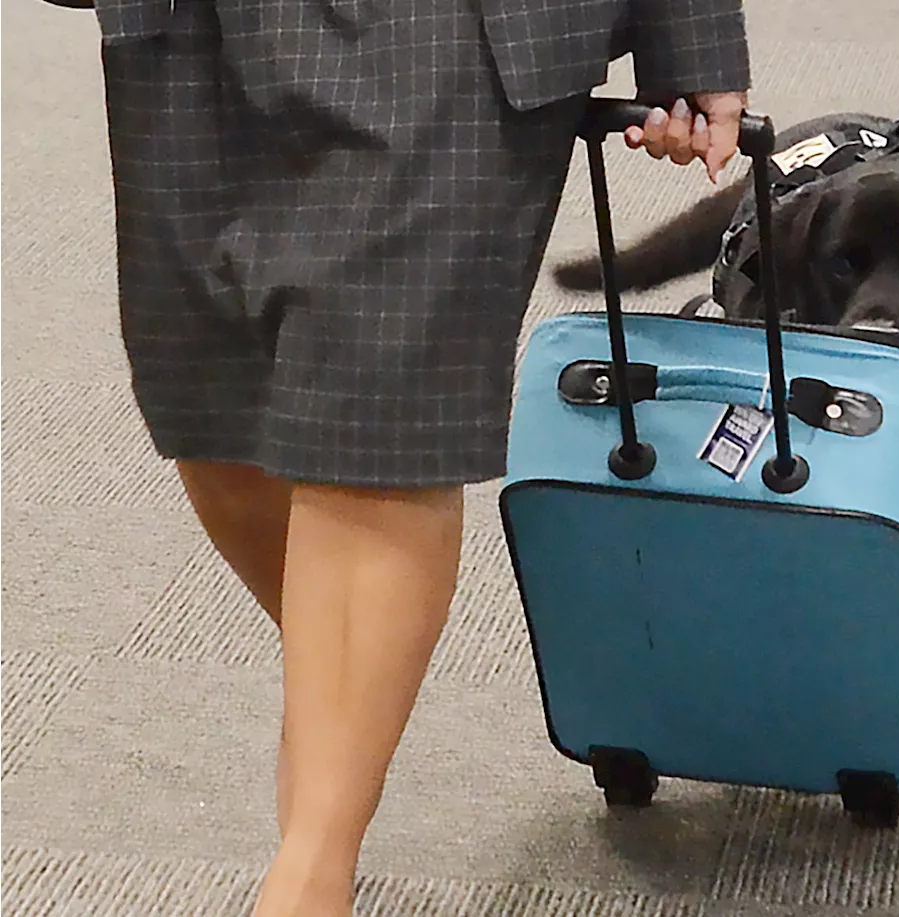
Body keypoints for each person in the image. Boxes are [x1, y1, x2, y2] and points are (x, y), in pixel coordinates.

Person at [88, 0, 751, 914]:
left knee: (376, 418)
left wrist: (693, 30)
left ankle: (310, 876)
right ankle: (342, 729)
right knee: (217, 413)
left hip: (453, 30)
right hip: (197, 28)